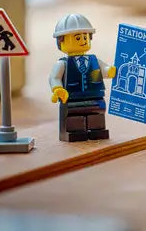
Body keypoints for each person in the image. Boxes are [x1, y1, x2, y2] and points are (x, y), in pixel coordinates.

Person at [49, 12, 116, 142]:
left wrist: (110, 71)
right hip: (73, 97)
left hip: (95, 95)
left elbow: (103, 71)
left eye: (85, 37)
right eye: (77, 38)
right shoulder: (63, 63)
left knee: (97, 114)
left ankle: (97, 130)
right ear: (61, 41)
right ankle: (75, 132)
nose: (83, 41)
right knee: (74, 116)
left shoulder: (94, 61)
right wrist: (57, 89)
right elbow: (54, 77)